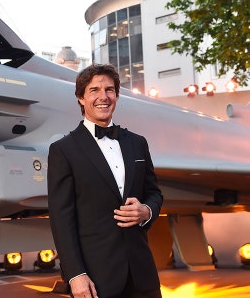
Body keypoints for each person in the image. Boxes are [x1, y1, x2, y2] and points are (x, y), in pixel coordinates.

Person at [47, 63, 163, 298]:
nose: (103, 97)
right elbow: (62, 220)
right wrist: (75, 275)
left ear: (117, 95)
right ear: (81, 98)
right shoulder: (63, 150)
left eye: (109, 90)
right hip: (95, 280)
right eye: (94, 90)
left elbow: (154, 193)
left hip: (143, 276)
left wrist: (147, 211)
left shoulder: (138, 143)